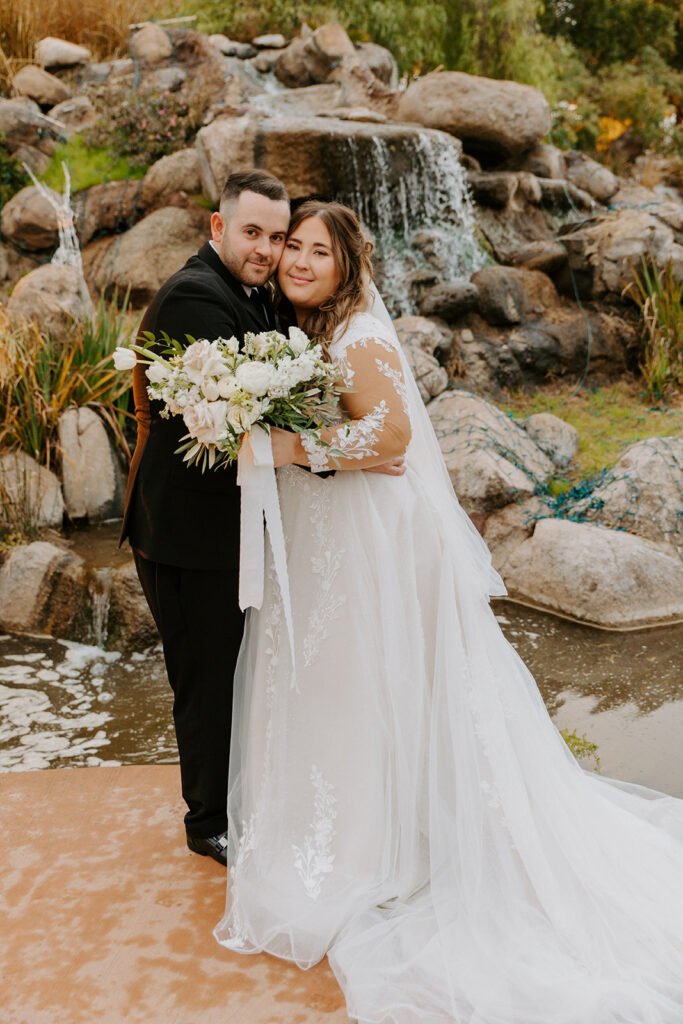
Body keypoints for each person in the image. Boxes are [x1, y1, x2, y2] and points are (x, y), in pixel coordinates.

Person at [215, 200, 683, 1023]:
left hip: (374, 544)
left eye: (317, 251)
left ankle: (389, 843)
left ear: (347, 263)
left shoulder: (356, 336)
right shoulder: (315, 332)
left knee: (368, 682)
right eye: (293, 245)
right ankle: (372, 821)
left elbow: (391, 438)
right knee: (351, 686)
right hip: (339, 538)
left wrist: (287, 446)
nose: (297, 259)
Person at [121, 173, 402, 867]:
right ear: (218, 229)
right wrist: (341, 451)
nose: (271, 251)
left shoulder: (266, 299)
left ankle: (247, 799)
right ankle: (207, 822)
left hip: (240, 530)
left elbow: (284, 400)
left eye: (280, 237)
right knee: (206, 678)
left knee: (241, 672)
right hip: (188, 536)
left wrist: (353, 444)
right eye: (256, 233)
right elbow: (242, 418)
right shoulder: (196, 296)